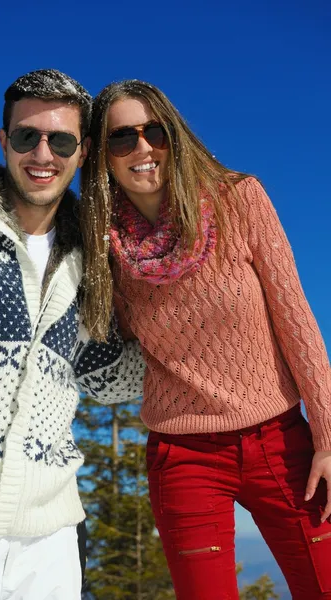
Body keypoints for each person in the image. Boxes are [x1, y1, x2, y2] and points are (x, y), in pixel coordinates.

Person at [80, 79, 331, 600]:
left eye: (156, 132)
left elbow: (297, 321)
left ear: (176, 135)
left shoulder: (240, 200)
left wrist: (328, 434)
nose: (143, 148)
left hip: (282, 443)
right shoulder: (101, 248)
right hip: (183, 456)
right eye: (122, 138)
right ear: (102, 156)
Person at [0, 69, 144, 600]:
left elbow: (110, 377)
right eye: (27, 136)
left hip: (50, 539)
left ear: (84, 150)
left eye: (61, 140)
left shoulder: (94, 260)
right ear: (5, 141)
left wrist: (194, 341)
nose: (42, 153)